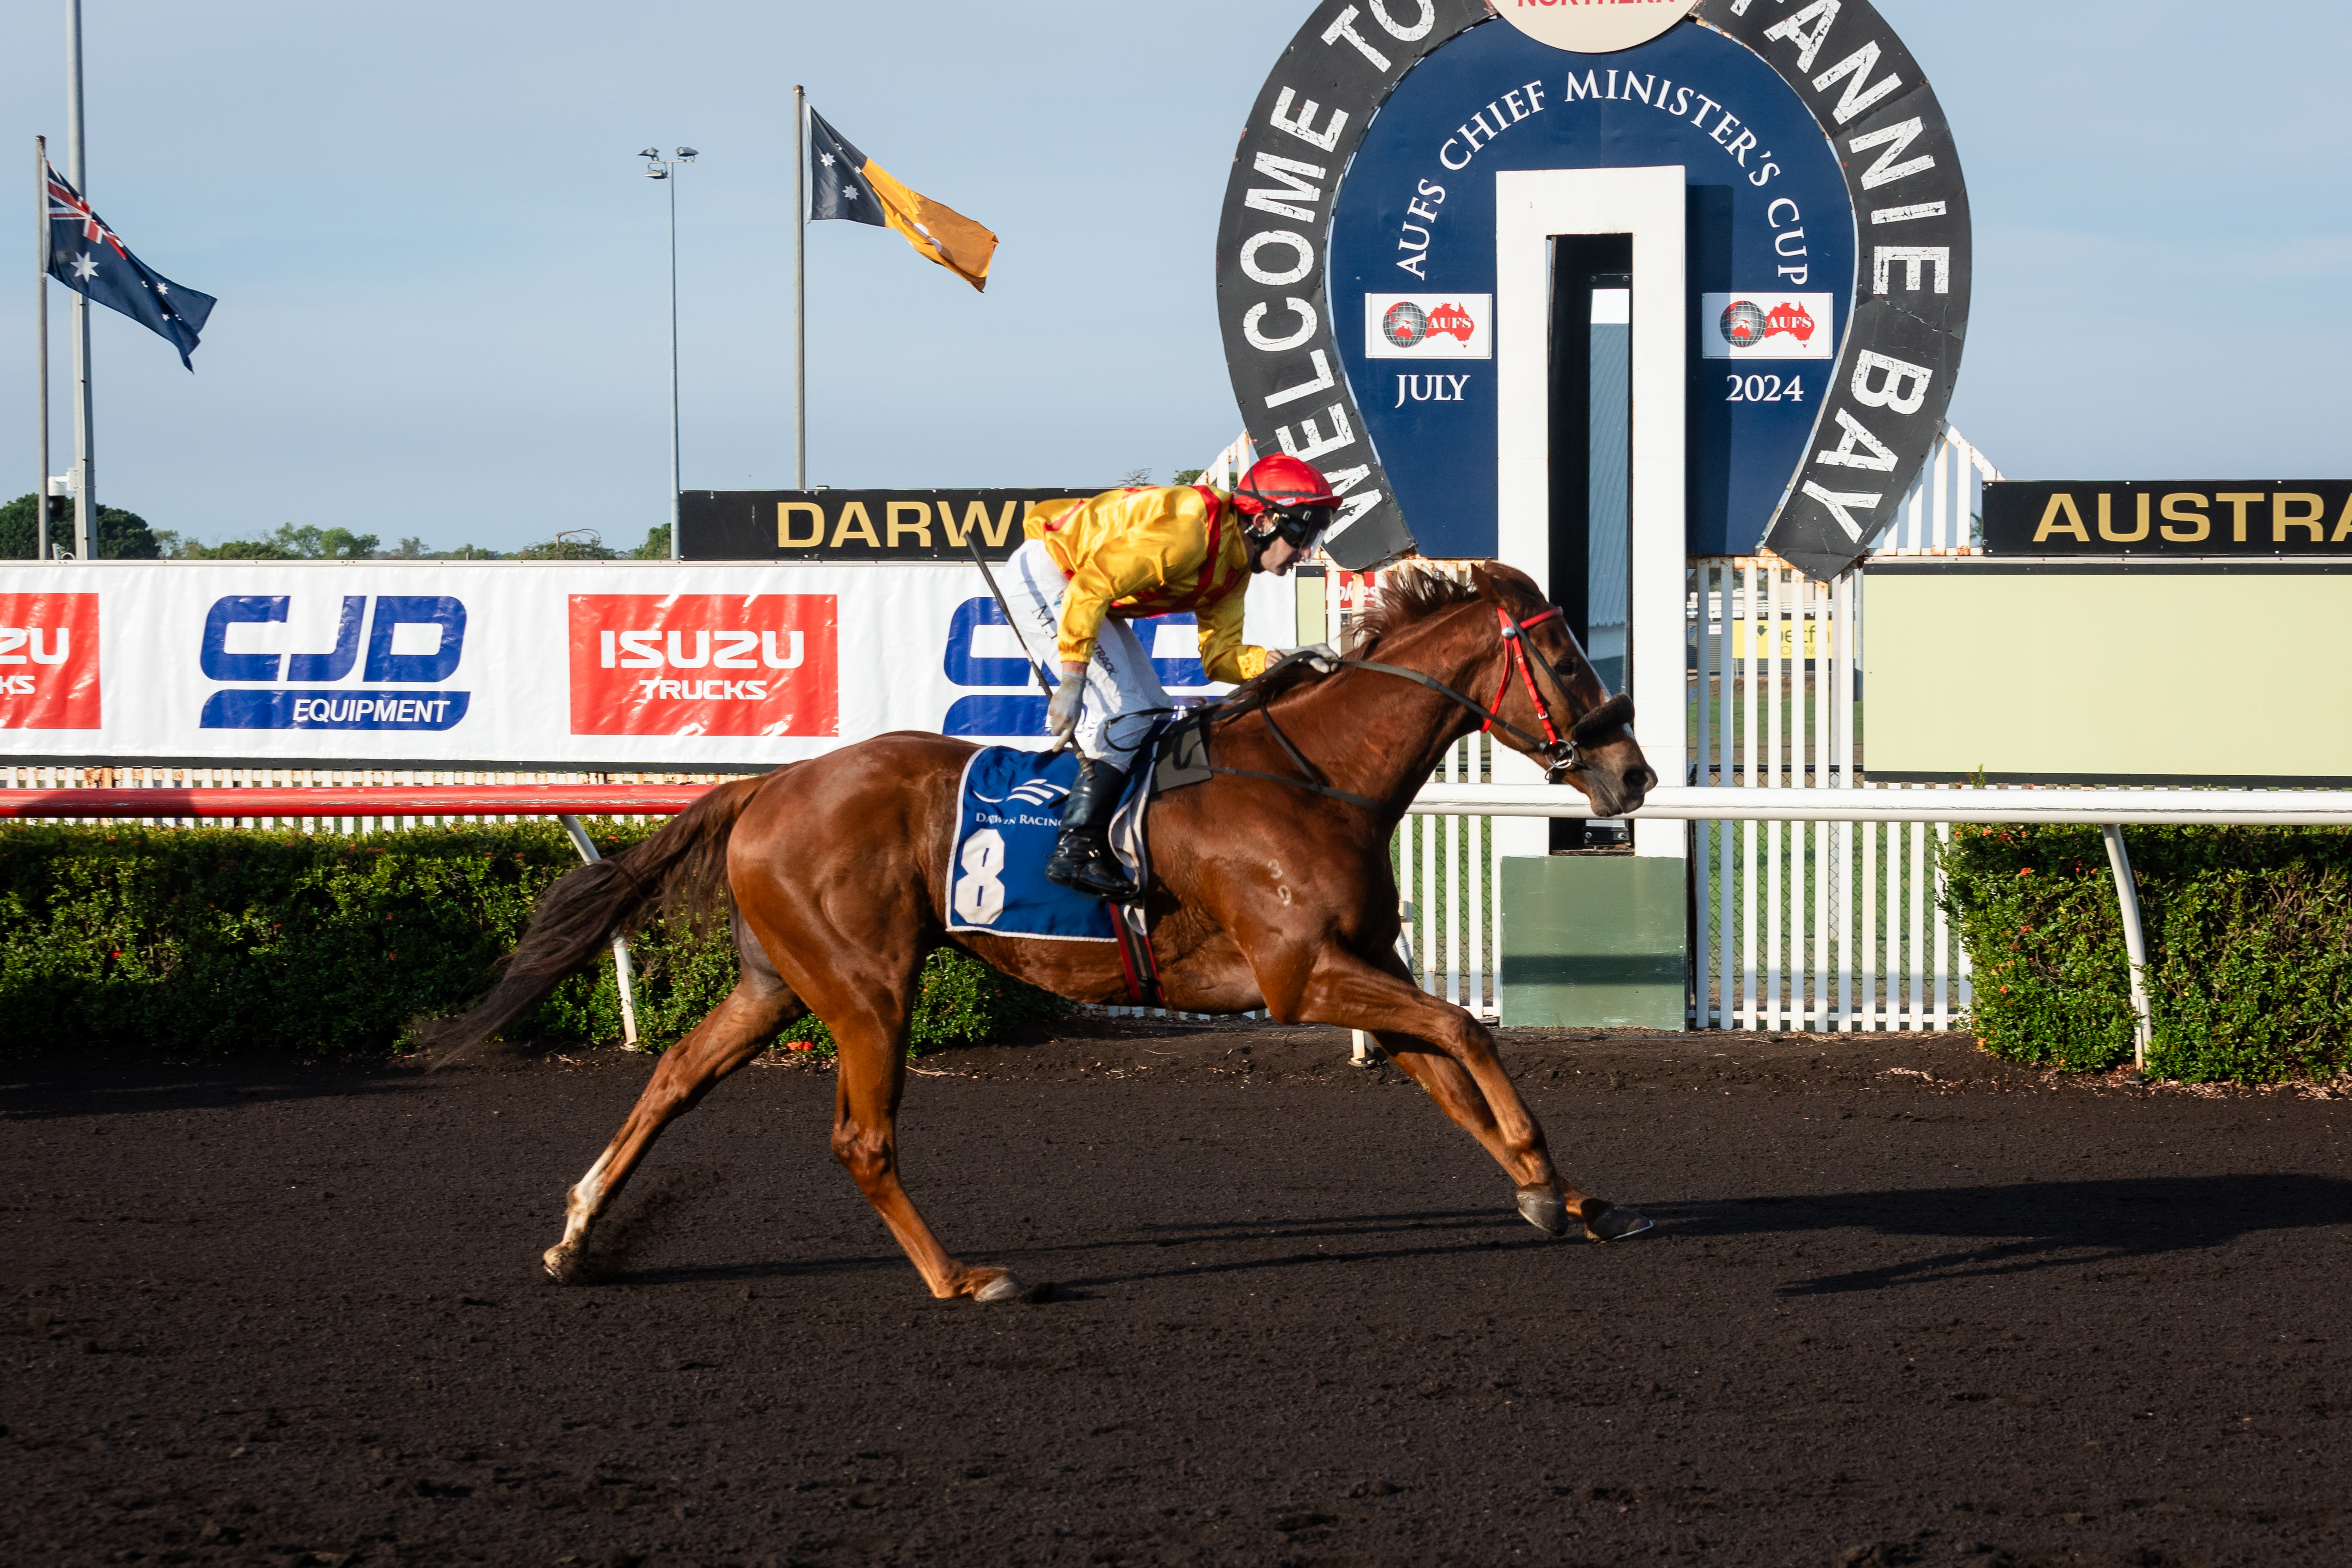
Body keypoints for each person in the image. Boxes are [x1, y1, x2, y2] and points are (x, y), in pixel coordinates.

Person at [999, 454, 1342, 901]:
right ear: (1264, 519)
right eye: (1304, 533)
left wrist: (1284, 662)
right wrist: (1073, 678)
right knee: (1127, 714)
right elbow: (1090, 588)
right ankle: (1075, 849)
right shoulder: (1190, 532)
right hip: (1051, 575)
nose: (1306, 552)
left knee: (1151, 710)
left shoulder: (1234, 569)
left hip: (1082, 586)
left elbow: (1220, 659)